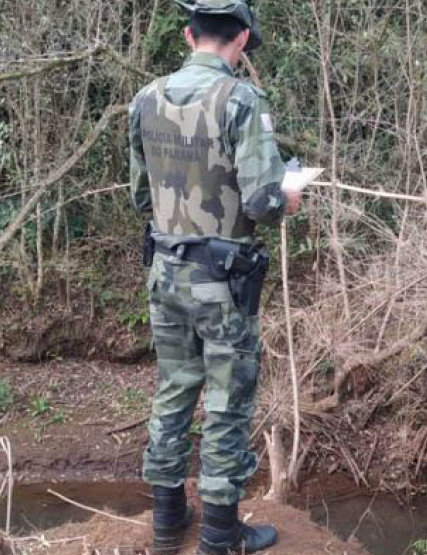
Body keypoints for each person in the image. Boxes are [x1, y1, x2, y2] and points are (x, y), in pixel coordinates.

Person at [128, 1, 301, 553]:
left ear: (188, 34)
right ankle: (220, 538)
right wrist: (288, 194)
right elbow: (264, 202)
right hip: (223, 282)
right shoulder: (241, 100)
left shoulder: (145, 98)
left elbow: (139, 196)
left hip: (165, 271)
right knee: (227, 401)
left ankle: (166, 525)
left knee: (174, 389)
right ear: (243, 39)